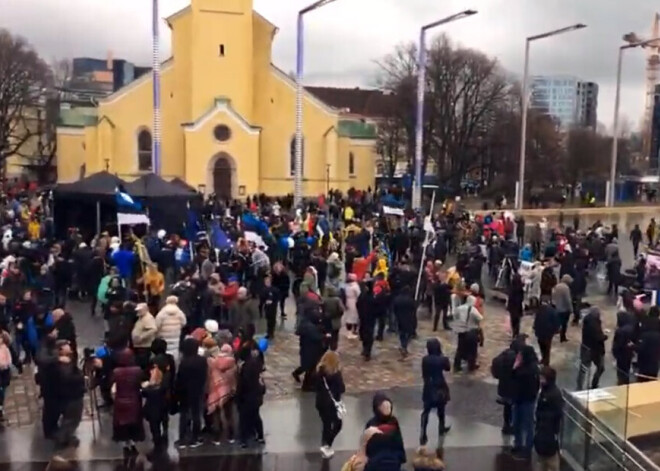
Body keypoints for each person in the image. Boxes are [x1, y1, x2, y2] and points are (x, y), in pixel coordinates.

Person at [111, 348, 145, 460]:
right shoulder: (138, 370)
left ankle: (126, 445)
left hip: (120, 401)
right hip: (134, 400)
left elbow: (113, 389)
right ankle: (133, 445)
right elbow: (141, 384)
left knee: (123, 425)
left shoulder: (116, 372)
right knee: (133, 424)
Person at [176, 337, 207, 448]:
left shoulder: (184, 362)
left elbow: (179, 379)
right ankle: (195, 438)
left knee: (184, 414)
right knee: (196, 414)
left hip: (184, 390)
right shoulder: (202, 361)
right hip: (198, 390)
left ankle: (183, 438)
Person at [491, 336, 525, 435]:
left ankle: (506, 425)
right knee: (515, 406)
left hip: (503, 385)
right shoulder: (516, 358)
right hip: (513, 386)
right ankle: (513, 425)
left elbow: (495, 364)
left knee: (507, 407)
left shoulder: (504, 354)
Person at [511, 345, 540, 461]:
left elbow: (516, 377)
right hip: (520, 399)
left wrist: (515, 367)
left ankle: (527, 449)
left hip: (526, 400)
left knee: (527, 425)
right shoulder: (525, 367)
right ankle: (518, 444)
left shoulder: (530, 369)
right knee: (517, 423)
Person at [54, 342, 84, 450]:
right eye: (67, 346)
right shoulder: (62, 365)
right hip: (71, 395)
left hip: (73, 394)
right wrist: (80, 377)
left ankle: (66, 437)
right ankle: (62, 439)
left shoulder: (67, 362)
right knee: (71, 419)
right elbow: (68, 378)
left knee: (73, 418)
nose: (69, 347)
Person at [420, 339, 451, 445]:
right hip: (440, 386)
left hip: (429, 386)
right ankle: (441, 428)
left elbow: (424, 374)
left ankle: (423, 432)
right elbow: (448, 368)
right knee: (441, 410)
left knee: (426, 411)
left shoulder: (425, 359)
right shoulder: (442, 359)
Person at [206, 340, 237, 445]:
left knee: (216, 414)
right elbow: (234, 378)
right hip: (229, 391)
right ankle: (231, 436)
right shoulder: (232, 363)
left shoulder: (212, 362)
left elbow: (209, 376)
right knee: (229, 414)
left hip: (215, 391)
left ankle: (217, 437)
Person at [316, 350, 345, 459]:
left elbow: (317, 387)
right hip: (331, 403)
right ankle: (327, 445)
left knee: (326, 424)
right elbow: (342, 388)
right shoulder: (336, 374)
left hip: (320, 402)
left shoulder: (319, 371)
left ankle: (325, 447)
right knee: (338, 424)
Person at [534, 366, 564, 471]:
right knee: (543, 462)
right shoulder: (545, 391)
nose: (540, 380)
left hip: (548, 432)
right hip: (543, 431)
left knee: (551, 463)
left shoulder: (554, 394)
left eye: (542, 378)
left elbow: (557, 413)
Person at [236, 344, 266, 448]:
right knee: (256, 416)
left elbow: (242, 384)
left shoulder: (245, 367)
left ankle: (244, 440)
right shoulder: (257, 364)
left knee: (244, 419)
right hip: (257, 395)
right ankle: (260, 436)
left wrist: (238, 396)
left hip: (247, 396)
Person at [364, 392, 406, 466]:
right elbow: (367, 446)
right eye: (384, 407)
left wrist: (400, 457)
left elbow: (399, 441)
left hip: (393, 460)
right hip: (376, 462)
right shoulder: (371, 424)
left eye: (388, 407)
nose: (387, 409)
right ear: (377, 408)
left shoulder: (393, 421)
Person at [141, 361, 169, 456]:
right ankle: (164, 433)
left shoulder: (149, 389)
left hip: (152, 410)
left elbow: (144, 393)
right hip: (162, 407)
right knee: (163, 420)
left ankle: (157, 444)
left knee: (154, 428)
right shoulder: (163, 386)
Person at [577, 307, 607, 390]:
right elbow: (597, 337)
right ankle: (594, 383)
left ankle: (580, 386)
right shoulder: (594, 324)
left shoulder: (587, 321)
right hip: (595, 350)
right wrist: (605, 337)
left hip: (586, 348)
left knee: (583, 368)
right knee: (600, 367)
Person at [452, 293, 483, 372]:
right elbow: (480, 318)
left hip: (461, 331)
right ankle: (471, 366)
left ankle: (457, 366)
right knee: (472, 350)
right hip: (471, 331)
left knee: (459, 349)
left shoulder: (460, 308)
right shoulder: (473, 309)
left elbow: (454, 315)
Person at [155, 296, 187, 362]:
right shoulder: (179, 312)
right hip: (175, 337)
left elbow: (157, 325)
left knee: (165, 354)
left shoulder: (162, 312)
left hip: (164, 337)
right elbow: (184, 322)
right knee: (175, 353)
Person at [636, 307, 660, 382]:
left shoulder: (645, 322)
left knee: (642, 376)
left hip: (644, 358)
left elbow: (640, 348)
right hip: (654, 357)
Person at [612, 311, 636, 385]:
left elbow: (617, 345)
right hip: (629, 354)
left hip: (621, 355)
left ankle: (622, 385)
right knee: (626, 371)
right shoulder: (631, 328)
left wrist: (615, 354)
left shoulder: (620, 331)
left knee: (621, 373)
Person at [131, 303, 157, 371]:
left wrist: (142, 337)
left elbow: (153, 329)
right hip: (139, 345)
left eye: (139, 310)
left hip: (144, 346)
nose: (138, 312)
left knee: (142, 364)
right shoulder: (141, 317)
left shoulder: (148, 318)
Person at [533, 299, 559, 366]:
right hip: (547, 333)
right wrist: (555, 330)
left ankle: (544, 360)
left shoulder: (539, 310)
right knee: (546, 348)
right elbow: (556, 322)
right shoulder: (552, 310)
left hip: (540, 332)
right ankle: (546, 361)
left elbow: (536, 320)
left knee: (542, 346)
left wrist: (535, 328)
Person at [393, 285, 416, 358]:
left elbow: (394, 309)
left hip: (399, 318)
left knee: (401, 333)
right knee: (408, 333)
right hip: (408, 319)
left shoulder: (397, 299)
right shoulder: (410, 300)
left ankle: (403, 345)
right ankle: (404, 346)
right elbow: (414, 309)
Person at [551, 274, 573, 343]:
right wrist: (571, 309)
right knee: (564, 324)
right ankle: (562, 337)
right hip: (564, 309)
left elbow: (553, 295)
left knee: (557, 322)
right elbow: (568, 300)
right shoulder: (566, 288)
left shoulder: (557, 286)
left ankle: (553, 334)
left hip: (557, 307)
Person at [260, 275, 279, 340]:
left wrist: (273, 301)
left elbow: (277, 297)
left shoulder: (275, 289)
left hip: (273, 307)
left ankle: (271, 332)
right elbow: (262, 298)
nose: (266, 282)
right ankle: (269, 332)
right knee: (268, 319)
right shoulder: (263, 290)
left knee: (272, 320)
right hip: (267, 307)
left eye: (268, 281)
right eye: (266, 281)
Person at [507, 273, 524, 338]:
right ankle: (516, 332)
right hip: (518, 307)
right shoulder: (520, 288)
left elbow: (510, 297)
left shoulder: (512, 287)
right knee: (517, 320)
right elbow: (521, 298)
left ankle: (514, 332)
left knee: (513, 320)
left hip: (512, 307)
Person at [344, 273, 361, 338]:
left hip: (348, 301)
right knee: (354, 317)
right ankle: (353, 331)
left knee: (348, 317)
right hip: (354, 302)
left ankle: (349, 332)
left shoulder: (346, 285)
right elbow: (358, 294)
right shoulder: (355, 286)